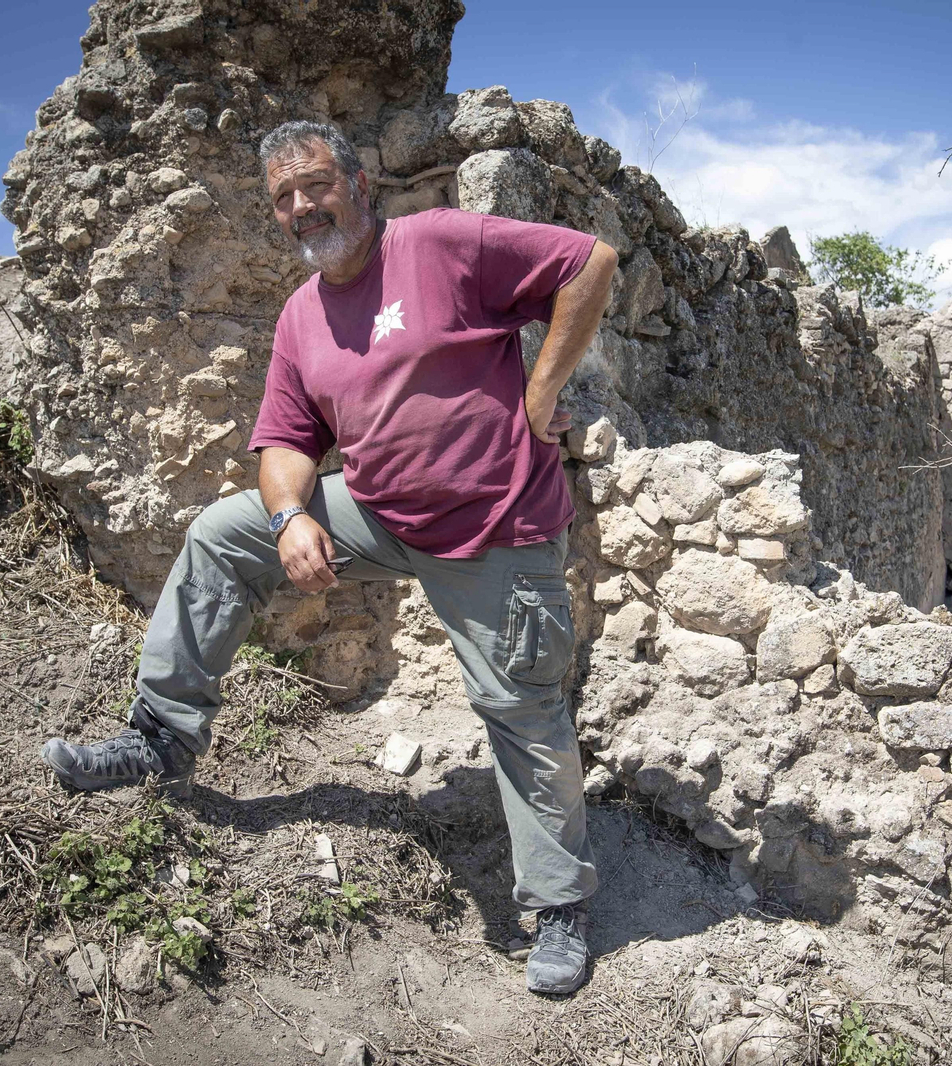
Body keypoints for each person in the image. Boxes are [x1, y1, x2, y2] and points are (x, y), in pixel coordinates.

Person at [40, 119, 619, 996]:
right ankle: (160, 737)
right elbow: (283, 442)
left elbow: (590, 263)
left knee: (521, 705)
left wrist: (541, 394)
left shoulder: (440, 243)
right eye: (283, 196)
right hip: (381, 512)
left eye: (315, 184)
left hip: (493, 524)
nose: (302, 206)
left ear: (357, 185)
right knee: (221, 533)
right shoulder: (302, 315)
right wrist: (288, 519)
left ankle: (561, 906)